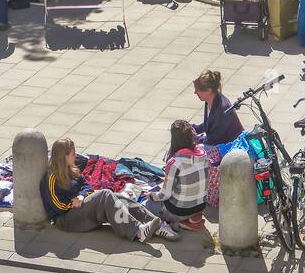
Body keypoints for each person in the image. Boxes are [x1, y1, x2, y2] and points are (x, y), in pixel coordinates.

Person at [41, 137, 178, 242]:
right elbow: (55, 206)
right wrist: (71, 203)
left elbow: (86, 186)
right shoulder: (51, 177)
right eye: (72, 154)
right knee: (105, 195)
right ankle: (138, 231)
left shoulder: (72, 169)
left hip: (79, 207)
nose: (75, 156)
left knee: (116, 198)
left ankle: (157, 225)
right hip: (66, 219)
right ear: (63, 157)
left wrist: (82, 196)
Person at [144, 121, 209, 231]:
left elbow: (165, 195)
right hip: (201, 205)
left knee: (147, 205)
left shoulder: (175, 162)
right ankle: (192, 217)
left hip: (179, 210)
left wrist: (151, 196)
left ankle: (179, 223)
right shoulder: (203, 153)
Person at [191, 70, 244, 147]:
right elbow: (210, 124)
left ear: (209, 90)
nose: (195, 92)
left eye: (197, 90)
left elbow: (213, 139)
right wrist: (194, 128)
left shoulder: (222, 109)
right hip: (218, 142)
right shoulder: (209, 100)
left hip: (230, 146)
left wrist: (195, 138)